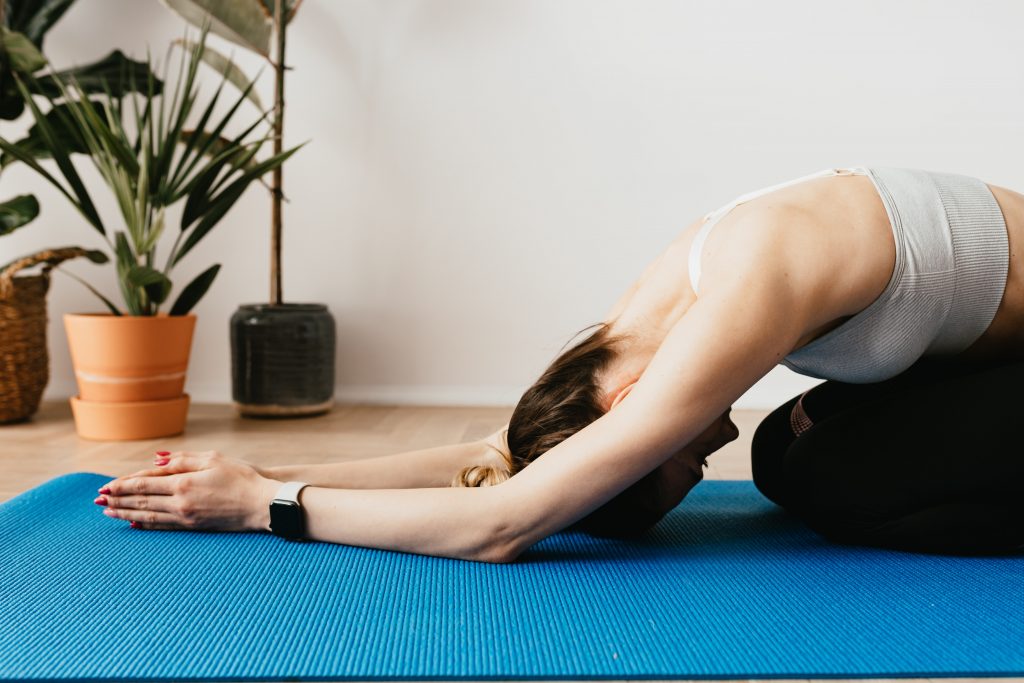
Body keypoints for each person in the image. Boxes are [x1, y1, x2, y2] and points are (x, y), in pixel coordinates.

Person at [94, 166, 1024, 561]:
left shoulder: (744, 287)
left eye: (683, 459)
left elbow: (505, 519)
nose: (713, 443)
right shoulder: (648, 321)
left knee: (821, 474)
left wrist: (266, 508)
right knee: (786, 452)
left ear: (625, 408)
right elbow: (503, 449)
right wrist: (262, 466)